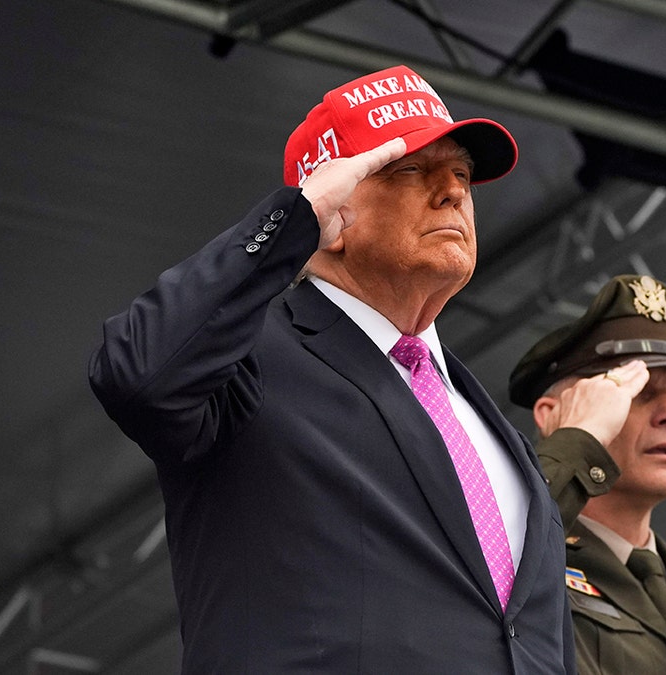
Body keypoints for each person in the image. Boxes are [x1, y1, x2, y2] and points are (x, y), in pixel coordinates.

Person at [89, 65, 573, 674]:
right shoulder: (248, 358)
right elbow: (139, 373)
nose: (453, 191)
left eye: (462, 175)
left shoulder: (485, 425)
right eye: (410, 169)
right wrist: (293, 222)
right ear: (334, 206)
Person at [508, 274, 666, 674]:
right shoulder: (524, 564)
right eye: (639, 392)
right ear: (553, 414)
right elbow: (491, 559)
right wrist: (577, 438)